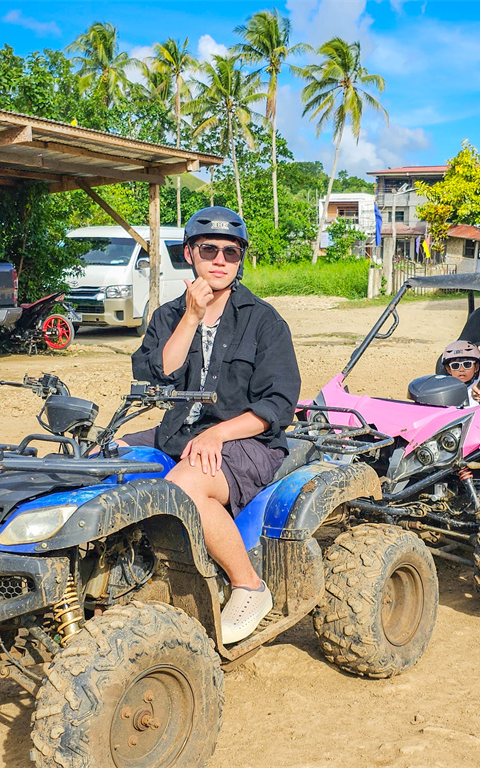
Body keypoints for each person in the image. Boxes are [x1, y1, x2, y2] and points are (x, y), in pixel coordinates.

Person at [115, 207, 301, 645]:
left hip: (249, 441)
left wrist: (217, 433)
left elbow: (277, 405)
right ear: (190, 254)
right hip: (178, 432)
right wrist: (192, 316)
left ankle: (249, 586)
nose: (220, 259)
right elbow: (157, 374)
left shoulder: (265, 321)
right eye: (209, 249)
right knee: (104, 457)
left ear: (240, 261)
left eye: (231, 252)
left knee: (184, 485)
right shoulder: (168, 316)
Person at [442, 326, 480, 406]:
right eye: (455, 366)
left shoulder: (478, 387)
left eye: (467, 364)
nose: (461, 369)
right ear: (449, 369)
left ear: (476, 367)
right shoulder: (443, 391)